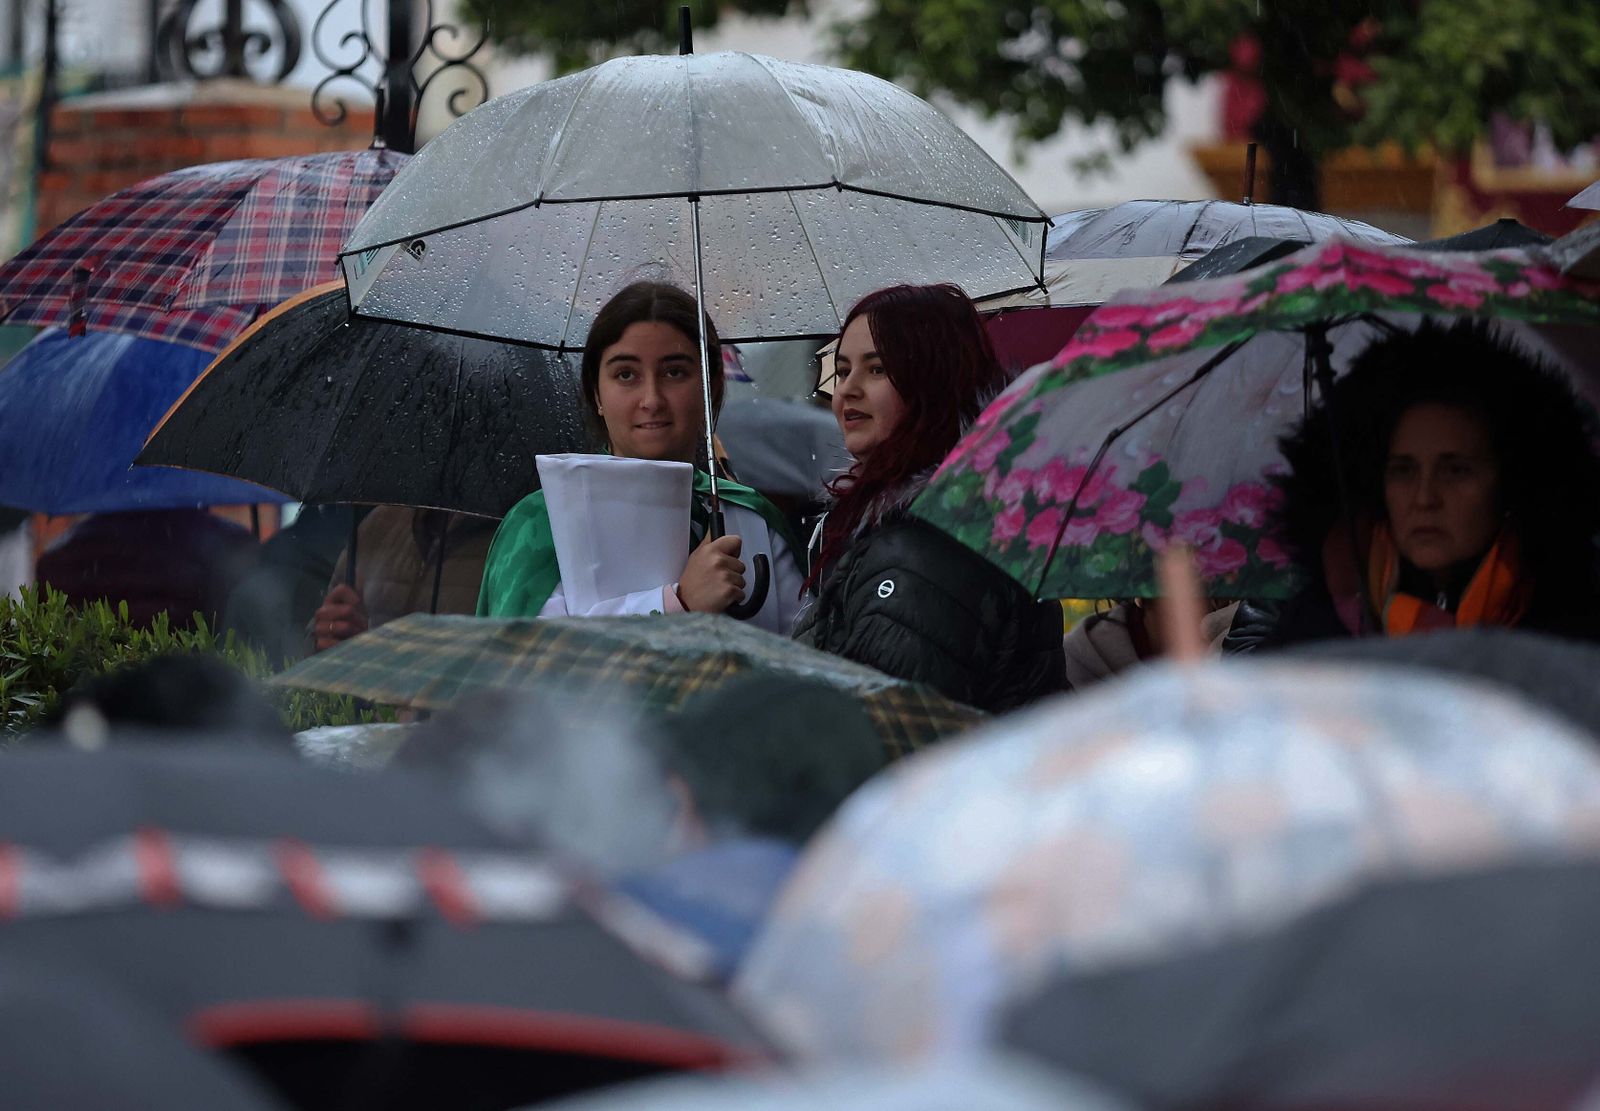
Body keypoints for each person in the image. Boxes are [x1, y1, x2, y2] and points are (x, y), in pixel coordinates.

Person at [1235, 318, 1600, 648]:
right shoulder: (1320, 621)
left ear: (1509, 481)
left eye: (1455, 470)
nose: (1425, 498)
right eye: (1403, 470)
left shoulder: (1572, 624)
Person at [795, 284, 1065, 712]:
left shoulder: (924, 552)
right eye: (843, 370)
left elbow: (885, 735)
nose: (848, 390)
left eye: (877, 369)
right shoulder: (936, 516)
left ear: (933, 381)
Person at [477, 281, 803, 633]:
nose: (651, 399)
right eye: (626, 374)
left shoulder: (753, 519)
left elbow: (809, 665)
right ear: (596, 393)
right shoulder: (542, 525)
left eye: (674, 372)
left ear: (712, 386)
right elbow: (523, 668)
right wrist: (677, 605)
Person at [309, 507, 496, 653]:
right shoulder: (380, 524)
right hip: (362, 698)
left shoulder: (515, 537)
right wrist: (325, 637)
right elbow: (312, 645)